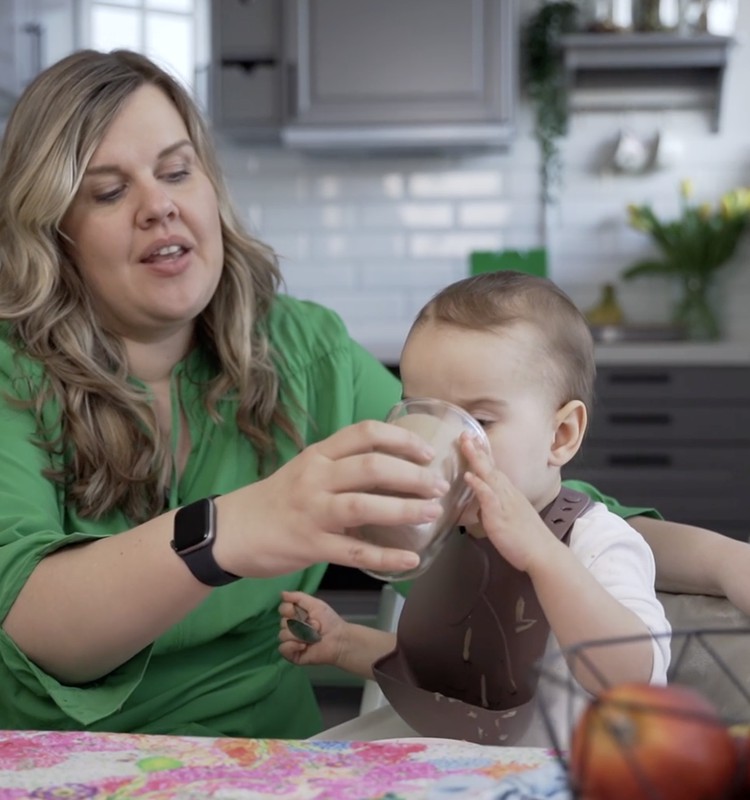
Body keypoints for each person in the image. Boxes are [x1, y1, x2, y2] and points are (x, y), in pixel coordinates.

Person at [0, 49, 745, 741]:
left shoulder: (303, 351)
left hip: (278, 759)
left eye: (176, 171)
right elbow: (31, 617)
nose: (158, 206)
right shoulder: (13, 375)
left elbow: (513, 501)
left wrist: (720, 560)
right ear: (51, 230)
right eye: (108, 190)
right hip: (65, 759)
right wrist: (235, 529)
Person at [280, 271, 673, 745]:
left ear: (561, 435)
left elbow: (631, 678)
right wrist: (345, 643)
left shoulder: (597, 543)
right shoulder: (453, 540)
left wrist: (542, 555)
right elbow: (451, 675)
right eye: (424, 415)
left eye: (481, 420)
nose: (445, 446)